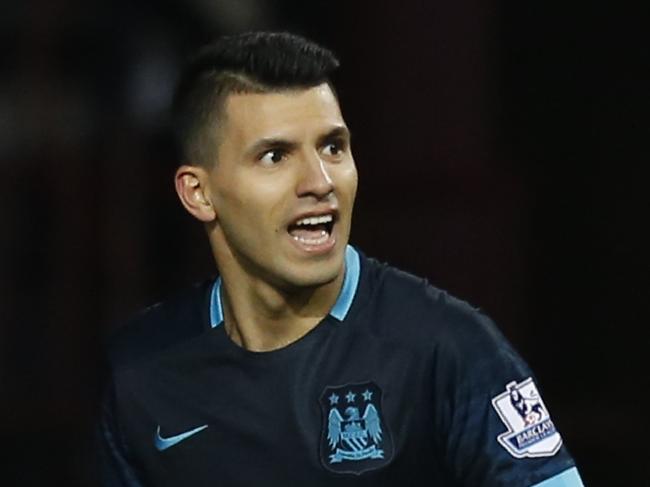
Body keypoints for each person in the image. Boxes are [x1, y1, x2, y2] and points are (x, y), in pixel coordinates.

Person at [97, 31, 585, 486]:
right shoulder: (142, 372)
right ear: (199, 193)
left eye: (333, 147)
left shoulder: (448, 350)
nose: (320, 181)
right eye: (275, 156)